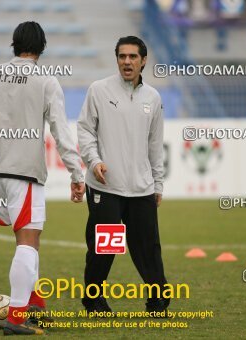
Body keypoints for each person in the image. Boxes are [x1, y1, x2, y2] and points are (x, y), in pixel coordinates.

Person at [0, 21, 85, 335]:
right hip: (23, 174)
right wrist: (76, 172)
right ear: (42, 48)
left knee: (29, 241)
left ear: (13, 44)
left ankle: (36, 307)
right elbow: (60, 131)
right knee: (28, 242)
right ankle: (15, 317)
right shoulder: (46, 81)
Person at [77, 36, 169, 314]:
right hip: (106, 186)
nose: (126, 62)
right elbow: (84, 131)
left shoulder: (153, 97)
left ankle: (157, 301)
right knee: (105, 247)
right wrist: (94, 162)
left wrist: (158, 182)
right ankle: (94, 300)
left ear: (144, 61)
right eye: (121, 56)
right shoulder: (98, 90)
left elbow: (155, 144)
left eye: (132, 57)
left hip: (141, 188)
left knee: (148, 248)